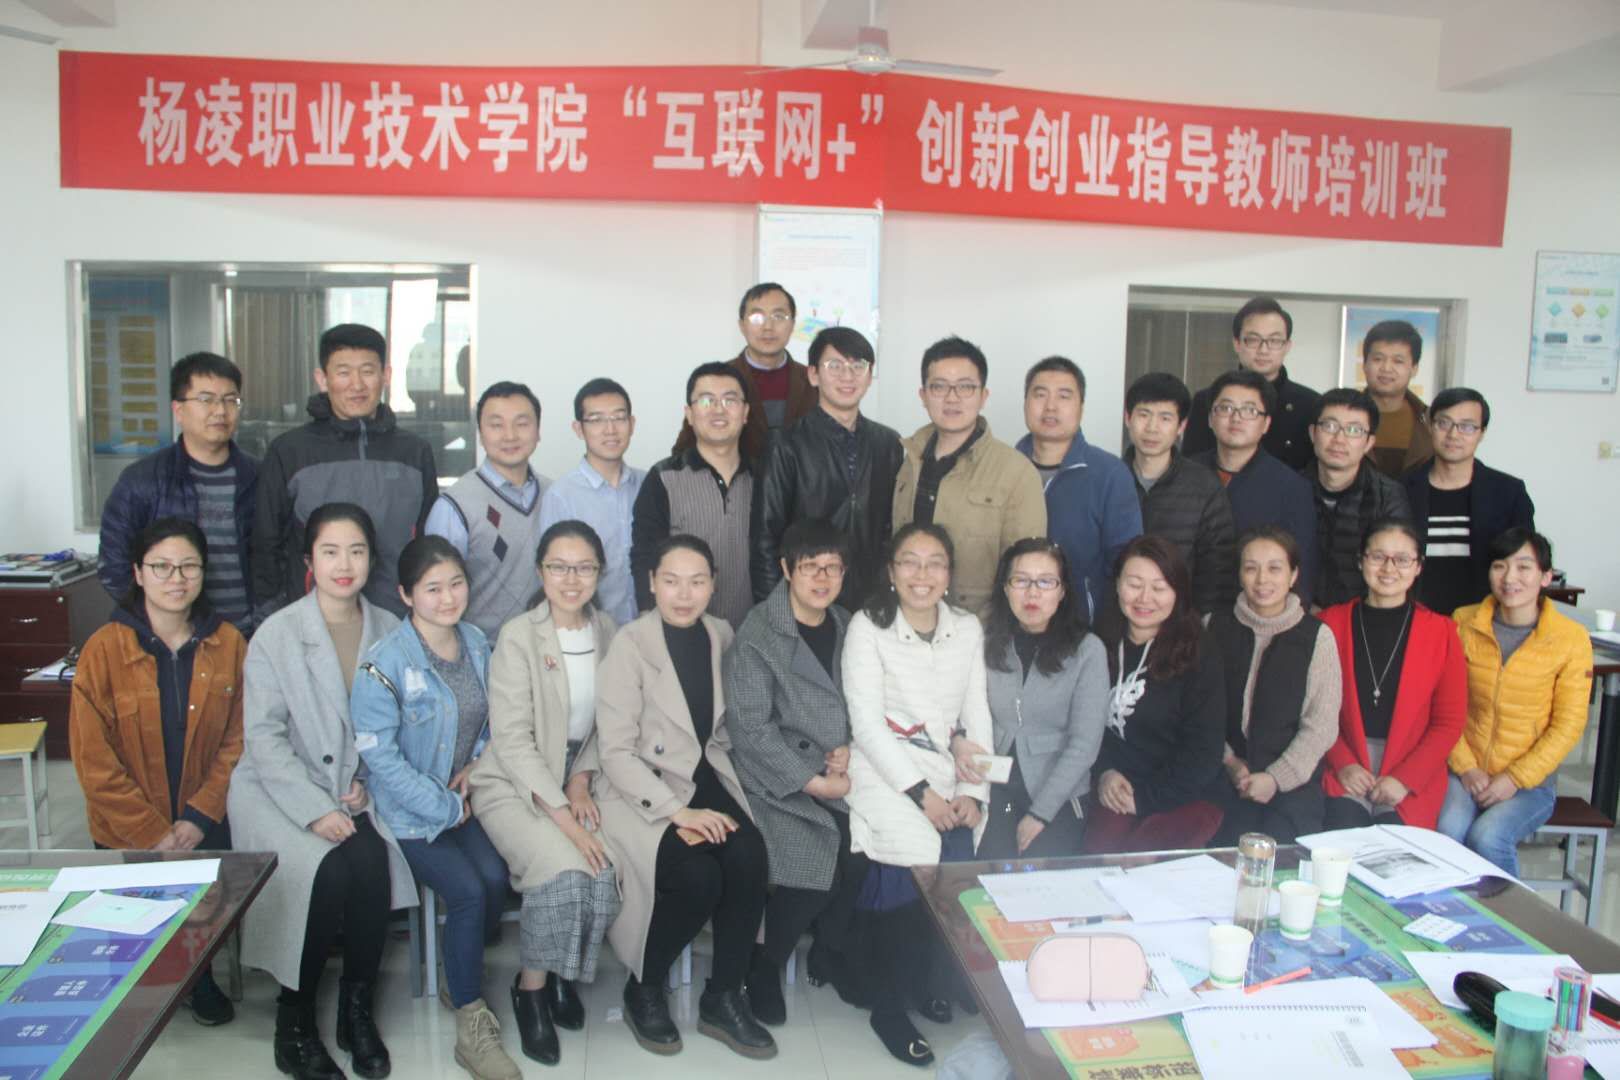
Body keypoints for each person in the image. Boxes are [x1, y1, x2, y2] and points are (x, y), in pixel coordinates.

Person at [229, 504, 414, 1080]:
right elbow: (263, 739)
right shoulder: (277, 634)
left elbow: (402, 726)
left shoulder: (391, 629)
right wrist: (314, 811)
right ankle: (295, 1022)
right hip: (278, 789)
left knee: (373, 865)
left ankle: (356, 1013)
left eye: (356, 551)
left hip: (355, 791)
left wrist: (365, 784)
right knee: (326, 872)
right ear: (309, 559)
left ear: (372, 559)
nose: (344, 564)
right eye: (330, 551)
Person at [594, 536, 774, 1060]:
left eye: (697, 582)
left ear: (713, 586)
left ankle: (723, 996)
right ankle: (644, 987)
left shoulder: (721, 634)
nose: (684, 594)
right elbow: (616, 753)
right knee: (699, 877)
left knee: (749, 856)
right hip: (642, 790)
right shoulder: (629, 645)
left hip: (704, 776)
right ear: (651, 583)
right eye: (671, 581)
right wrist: (679, 813)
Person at [350, 536, 520, 1080]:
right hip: (409, 814)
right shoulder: (383, 665)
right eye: (432, 589)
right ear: (405, 595)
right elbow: (381, 760)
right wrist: (443, 804)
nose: (448, 598)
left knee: (496, 879)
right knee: (467, 891)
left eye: (456, 584)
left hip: (463, 798)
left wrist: (478, 765)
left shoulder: (476, 642)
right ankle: (471, 1022)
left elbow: (495, 720)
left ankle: (458, 970)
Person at [70, 517, 245, 1026]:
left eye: (189, 566)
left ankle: (197, 973)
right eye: (162, 567)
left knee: (200, 901)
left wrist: (199, 815)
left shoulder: (229, 643)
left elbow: (240, 740)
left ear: (203, 573)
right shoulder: (104, 649)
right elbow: (92, 759)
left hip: (204, 820)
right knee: (133, 964)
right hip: (125, 826)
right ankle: (139, 971)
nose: (177, 578)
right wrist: (153, 833)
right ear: (138, 573)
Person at [836, 523, 991, 1067]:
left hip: (947, 767)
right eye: (909, 561)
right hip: (883, 771)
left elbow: (976, 713)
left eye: (934, 563)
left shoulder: (966, 629)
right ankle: (887, 1007)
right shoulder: (868, 626)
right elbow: (866, 724)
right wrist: (921, 794)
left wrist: (974, 792)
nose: (921, 574)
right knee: (913, 856)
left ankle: (925, 983)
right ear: (891, 570)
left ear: (949, 574)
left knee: (960, 853)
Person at [469, 521, 623, 1066]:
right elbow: (512, 739)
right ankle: (531, 990)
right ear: (540, 572)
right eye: (559, 567)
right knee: (564, 870)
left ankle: (562, 975)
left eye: (584, 568)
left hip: (576, 777)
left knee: (604, 869)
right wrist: (567, 820)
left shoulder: (608, 630)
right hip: (513, 783)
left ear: (599, 573)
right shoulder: (519, 635)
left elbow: (610, 721)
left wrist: (580, 780)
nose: (571, 579)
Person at [726, 519, 856, 1027]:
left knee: (867, 851)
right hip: (772, 779)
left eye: (832, 568)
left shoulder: (847, 624)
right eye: (809, 567)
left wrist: (849, 748)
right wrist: (812, 780)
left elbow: (867, 700)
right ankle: (765, 966)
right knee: (813, 863)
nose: (822, 579)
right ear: (785, 569)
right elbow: (751, 729)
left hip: (840, 771)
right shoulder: (759, 633)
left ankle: (830, 952)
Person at [253, 323, 438, 619]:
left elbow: (429, 544)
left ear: (386, 376)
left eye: (367, 371)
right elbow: (266, 545)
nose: (357, 384)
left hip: (398, 620)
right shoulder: (290, 451)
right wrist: (274, 619)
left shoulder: (414, 452)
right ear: (322, 379)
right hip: (313, 622)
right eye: (343, 372)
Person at [1439, 528, 1591, 875]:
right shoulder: (1463, 622)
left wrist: (1514, 778)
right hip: (1465, 771)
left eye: (1524, 567)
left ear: (1546, 576)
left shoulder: (1570, 639)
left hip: (1529, 783)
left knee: (1488, 837)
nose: (1510, 578)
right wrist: (1466, 767)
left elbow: (1568, 725)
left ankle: (1506, 910)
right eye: (1500, 566)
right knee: (1448, 830)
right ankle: (1447, 906)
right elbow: (1443, 703)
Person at [954, 538, 1107, 859]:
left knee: (1039, 879)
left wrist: (1040, 815)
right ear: (1005, 588)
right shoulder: (985, 640)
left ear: (1062, 591)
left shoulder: (1087, 650)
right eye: (1021, 581)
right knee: (987, 875)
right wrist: (957, 740)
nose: (1032, 593)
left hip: (1058, 795)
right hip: (998, 789)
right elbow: (956, 707)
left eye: (1046, 582)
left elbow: (1084, 745)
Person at [1319, 519, 1467, 830]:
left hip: (1411, 768)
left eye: (1402, 559)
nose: (1389, 568)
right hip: (1344, 760)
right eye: (1378, 557)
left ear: (1418, 566)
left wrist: (1405, 778)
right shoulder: (1330, 624)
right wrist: (1343, 763)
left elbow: (1449, 722)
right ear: (1361, 561)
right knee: (1344, 838)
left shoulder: (1442, 632)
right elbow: (1314, 708)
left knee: (1394, 848)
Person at [1083, 536, 1225, 853]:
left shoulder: (1199, 651)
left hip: (1186, 792)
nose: (1145, 598)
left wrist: (1146, 798)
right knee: (1097, 861)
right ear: (1117, 584)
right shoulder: (1098, 643)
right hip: (1118, 784)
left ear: (1178, 592)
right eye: (1134, 584)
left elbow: (1203, 752)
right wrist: (1104, 771)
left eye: (1159, 588)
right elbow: (1084, 725)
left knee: (1139, 863)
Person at [98, 351, 257, 631]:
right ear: (178, 410)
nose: (220, 411)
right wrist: (159, 625)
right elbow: (114, 565)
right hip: (173, 638)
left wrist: (266, 621)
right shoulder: (142, 480)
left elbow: (279, 559)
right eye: (206, 399)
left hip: (250, 634)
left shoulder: (260, 476)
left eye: (230, 400)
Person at [751, 327, 903, 611]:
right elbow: (765, 540)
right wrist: (775, 613)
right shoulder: (786, 444)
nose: (847, 376)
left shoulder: (888, 443)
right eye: (835, 365)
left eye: (858, 366)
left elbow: (891, 529)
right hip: (807, 601)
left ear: (869, 375)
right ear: (813, 375)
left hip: (872, 600)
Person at [892, 336, 1046, 616]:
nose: (952, 398)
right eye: (939, 386)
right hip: (908, 620)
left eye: (965, 387)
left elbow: (1026, 571)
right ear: (923, 395)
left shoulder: (1017, 472)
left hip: (981, 628)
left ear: (983, 396)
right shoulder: (909, 461)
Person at [1207, 527, 1341, 845]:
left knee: (1277, 856)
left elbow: (1321, 727)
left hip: (1291, 787)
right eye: (1251, 568)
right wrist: (1229, 762)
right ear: (1239, 574)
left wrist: (1275, 778)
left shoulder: (1317, 637)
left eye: (1275, 568)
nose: (1262, 580)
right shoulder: (1213, 627)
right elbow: (1200, 713)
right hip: (1221, 777)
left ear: (1293, 575)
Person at [631, 362, 756, 629]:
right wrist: (650, 623)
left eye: (730, 400)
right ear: (689, 414)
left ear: (745, 412)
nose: (719, 409)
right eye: (706, 400)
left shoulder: (764, 478)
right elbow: (644, 555)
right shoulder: (664, 478)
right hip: (682, 630)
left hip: (752, 632)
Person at [1016, 356, 1142, 620]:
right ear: (1025, 403)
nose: (1050, 406)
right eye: (1040, 395)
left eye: (1064, 396)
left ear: (1081, 408)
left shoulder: (1110, 474)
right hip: (1013, 622)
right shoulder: (1005, 468)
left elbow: (1126, 563)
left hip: (1082, 626)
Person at [425, 381, 550, 638]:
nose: (510, 435)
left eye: (521, 423)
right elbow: (434, 594)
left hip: (547, 646)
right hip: (481, 650)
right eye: (496, 425)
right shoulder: (454, 506)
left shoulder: (556, 495)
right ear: (480, 435)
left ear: (538, 431)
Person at [1187, 367, 1318, 606]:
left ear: (1266, 423)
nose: (1236, 418)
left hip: (1255, 614)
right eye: (1226, 408)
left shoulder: (1291, 487)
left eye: (1249, 410)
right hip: (1186, 612)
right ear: (1210, 418)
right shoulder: (1183, 474)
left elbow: (1301, 570)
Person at [1403, 388, 1536, 616]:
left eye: (1467, 426)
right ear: (1430, 426)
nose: (1453, 434)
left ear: (1481, 433)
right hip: (1417, 619)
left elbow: (1524, 560)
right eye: (1444, 423)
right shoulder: (1401, 490)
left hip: (1484, 619)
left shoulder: (1508, 493)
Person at [1122, 372, 1237, 614]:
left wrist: (1195, 623)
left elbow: (1217, 571)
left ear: (1181, 426)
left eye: (1165, 418)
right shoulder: (1109, 479)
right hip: (1119, 618)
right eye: (1144, 415)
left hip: (1181, 622)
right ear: (1128, 418)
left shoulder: (1204, 486)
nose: (1152, 428)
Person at [538, 378, 645, 626]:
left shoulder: (648, 485)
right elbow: (553, 573)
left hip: (645, 630)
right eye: (596, 420)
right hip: (589, 629)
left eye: (619, 418)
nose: (610, 429)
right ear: (579, 429)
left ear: (632, 424)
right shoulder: (562, 495)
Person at [672, 283, 816, 460]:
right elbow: (683, 453)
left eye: (778, 316)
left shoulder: (814, 381)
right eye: (757, 317)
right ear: (742, 325)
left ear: (792, 325)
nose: (768, 326)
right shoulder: (715, 381)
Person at [1183, 297, 1322, 470]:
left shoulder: (1311, 404)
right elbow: (1190, 467)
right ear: (1237, 343)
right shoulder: (1206, 400)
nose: (1263, 350)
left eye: (1274, 341)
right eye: (1253, 340)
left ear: (1287, 346)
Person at [1307, 389, 1412, 608]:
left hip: (1363, 616)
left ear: (1369, 442)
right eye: (1330, 426)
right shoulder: (1290, 489)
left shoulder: (1387, 496)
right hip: (1299, 615)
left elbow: (1394, 567)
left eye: (1354, 430)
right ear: (1313, 433)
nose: (1339, 439)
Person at [1359, 319, 1433, 478]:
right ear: (1364, 364)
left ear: (1414, 369)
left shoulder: (1430, 421)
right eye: (1378, 359)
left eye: (1398, 361)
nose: (1386, 368)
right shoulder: (1342, 417)